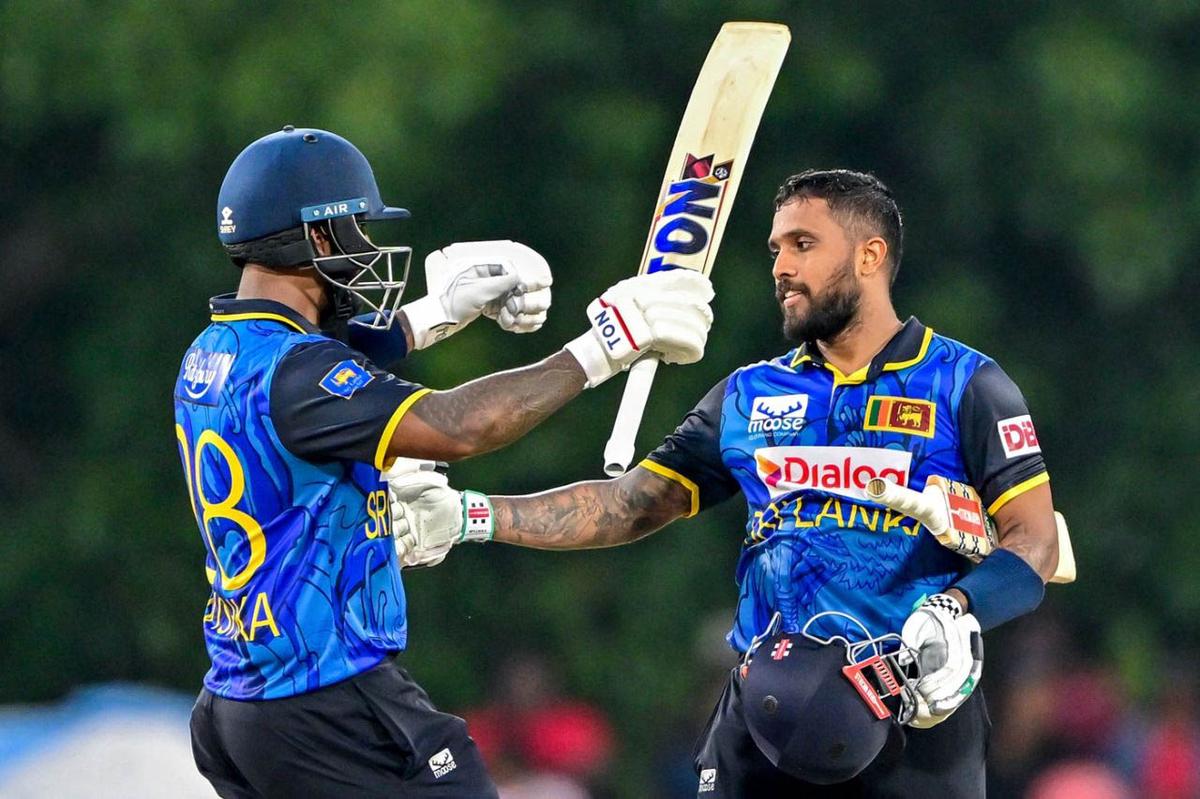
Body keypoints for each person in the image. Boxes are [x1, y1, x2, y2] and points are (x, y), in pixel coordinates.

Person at [390, 169, 1062, 797]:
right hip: (765, 716)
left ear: (869, 255)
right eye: (776, 249)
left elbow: (1034, 544)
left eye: (803, 244)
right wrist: (470, 515)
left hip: (912, 719)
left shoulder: (966, 383)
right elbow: (630, 505)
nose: (781, 268)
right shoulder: (747, 395)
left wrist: (959, 610)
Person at [174, 125, 714, 797]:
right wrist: (607, 345)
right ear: (314, 238)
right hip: (322, 696)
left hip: (237, 705)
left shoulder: (212, 354)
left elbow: (330, 371)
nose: (366, 249)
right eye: (352, 230)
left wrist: (436, 314)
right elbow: (461, 428)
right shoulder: (299, 370)